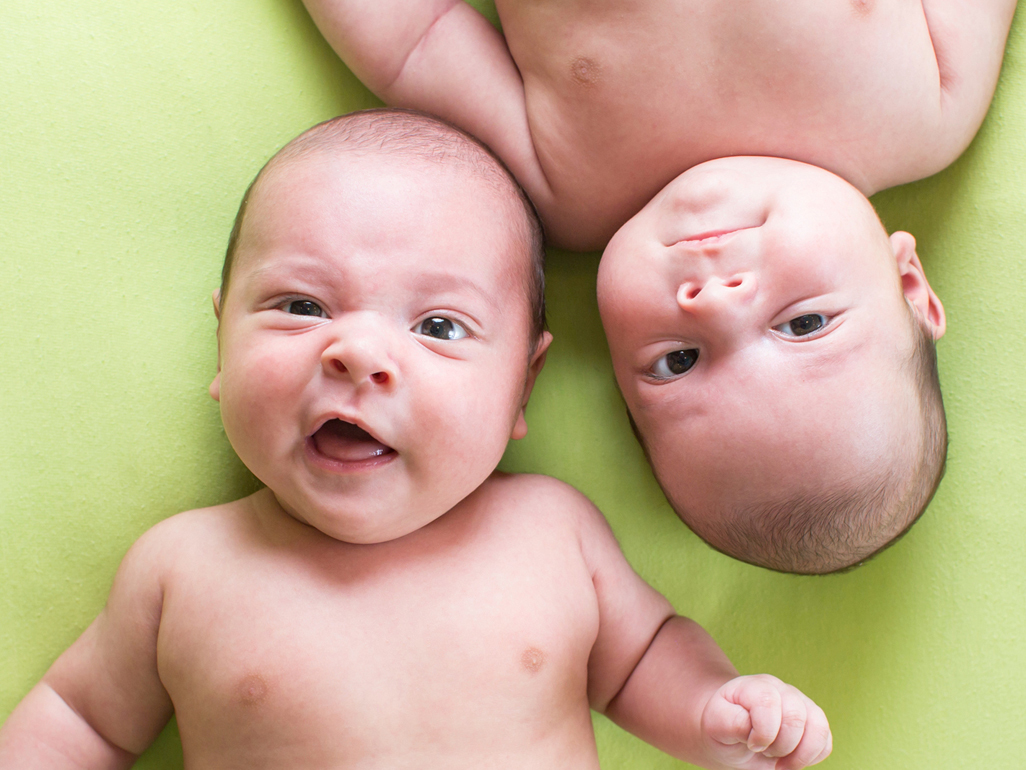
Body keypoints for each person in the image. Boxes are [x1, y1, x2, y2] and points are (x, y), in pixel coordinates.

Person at [0, 110, 831, 769]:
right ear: (222, 344)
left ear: (521, 387)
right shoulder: (183, 569)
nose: (356, 352)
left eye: (438, 325)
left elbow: (642, 657)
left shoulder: (549, 532)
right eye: (301, 306)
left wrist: (716, 713)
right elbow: (80, 722)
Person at [298, 0, 1015, 571]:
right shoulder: (928, 112)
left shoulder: (562, 186)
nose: (717, 301)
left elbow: (416, 37)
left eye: (679, 360)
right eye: (804, 324)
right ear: (911, 287)